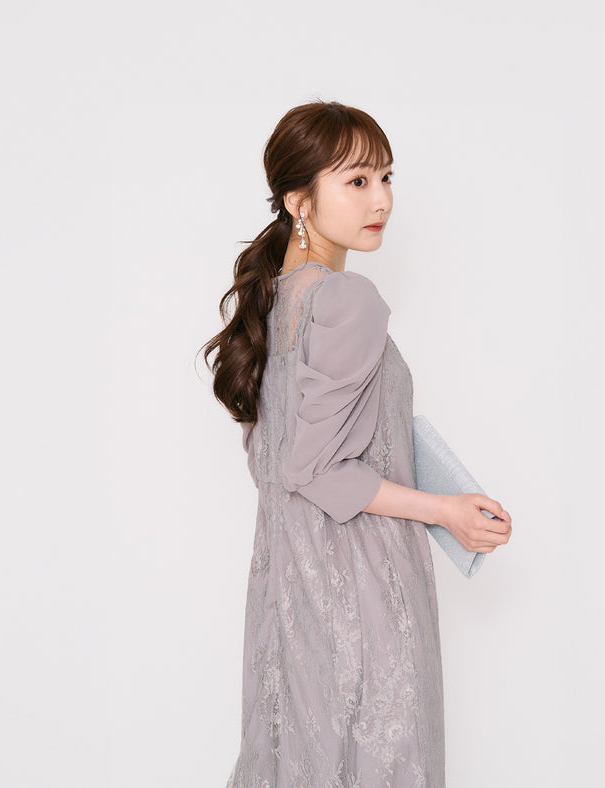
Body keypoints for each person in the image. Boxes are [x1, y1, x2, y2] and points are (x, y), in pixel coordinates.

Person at [200, 100, 512, 787]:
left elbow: (273, 462)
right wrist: (447, 510)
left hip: (287, 592)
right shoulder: (348, 299)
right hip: (364, 589)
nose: (382, 200)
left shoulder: (268, 306)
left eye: (386, 177)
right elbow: (312, 469)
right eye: (358, 181)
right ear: (298, 200)